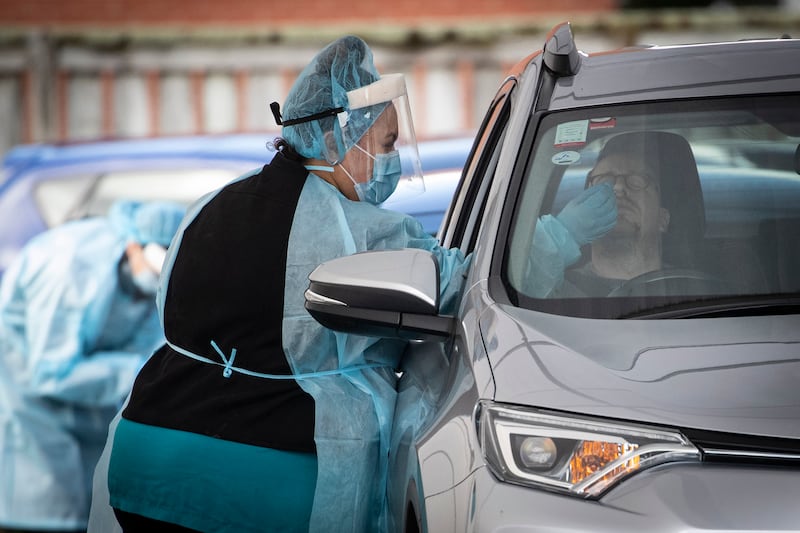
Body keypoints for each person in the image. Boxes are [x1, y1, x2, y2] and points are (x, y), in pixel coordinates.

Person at [87, 35, 470, 533]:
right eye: (388, 144)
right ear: (337, 137)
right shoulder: (362, 232)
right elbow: (457, 286)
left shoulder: (211, 205)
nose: (392, 162)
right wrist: (563, 236)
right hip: (263, 480)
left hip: (147, 458)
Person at [0, 199, 186, 533]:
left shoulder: (139, 274)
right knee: (45, 513)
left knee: (92, 507)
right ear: (133, 246)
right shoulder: (71, 266)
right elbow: (50, 371)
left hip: (86, 412)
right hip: (30, 412)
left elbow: (152, 340)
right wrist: (136, 372)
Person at [529, 131, 688, 298]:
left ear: (663, 219)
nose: (617, 188)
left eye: (636, 181)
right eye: (605, 180)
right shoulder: (549, 292)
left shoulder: (700, 292)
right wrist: (560, 234)